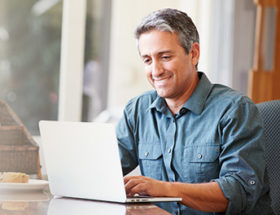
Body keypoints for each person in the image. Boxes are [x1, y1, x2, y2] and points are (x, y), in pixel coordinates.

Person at [116, 8, 272, 215]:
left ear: (194, 53)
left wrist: (163, 189)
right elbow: (105, 170)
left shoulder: (234, 109)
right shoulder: (137, 110)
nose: (156, 70)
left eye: (165, 57)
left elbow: (239, 190)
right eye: (147, 60)